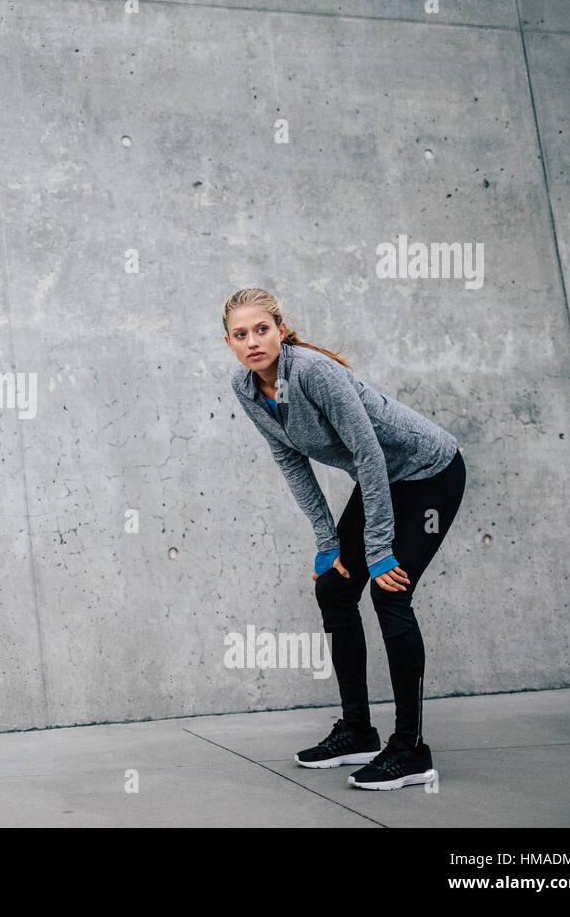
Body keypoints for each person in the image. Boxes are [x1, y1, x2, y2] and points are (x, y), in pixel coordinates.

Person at [223, 288, 466, 790]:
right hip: (383, 480)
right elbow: (291, 459)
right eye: (240, 334)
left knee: (390, 590)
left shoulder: (313, 372)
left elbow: (369, 454)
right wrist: (327, 541)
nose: (252, 341)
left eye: (261, 329)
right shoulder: (246, 389)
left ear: (281, 330)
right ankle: (358, 731)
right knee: (333, 587)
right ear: (228, 342)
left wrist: (377, 550)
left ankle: (411, 750)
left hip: (427, 473)